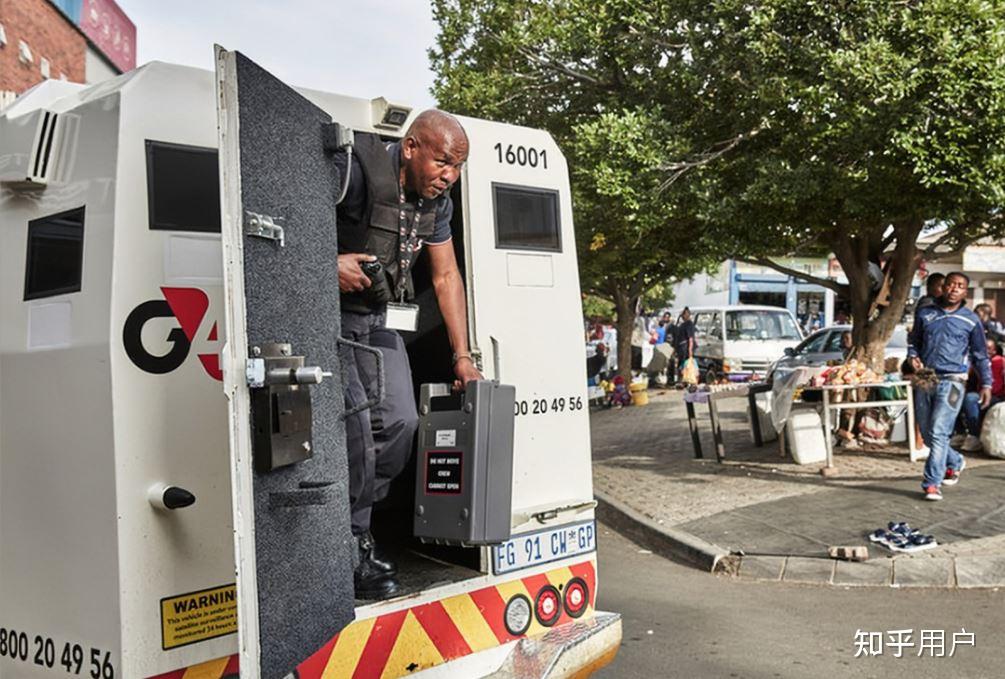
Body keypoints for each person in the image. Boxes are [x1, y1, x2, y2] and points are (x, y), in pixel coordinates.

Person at [335, 110, 482, 599]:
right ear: (412, 146)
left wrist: (463, 355)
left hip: (380, 320)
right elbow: (283, 222)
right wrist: (329, 263)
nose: (450, 176)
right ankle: (350, 543)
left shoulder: (437, 204)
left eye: (458, 167)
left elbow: (445, 276)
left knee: (400, 424)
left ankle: (355, 526)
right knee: (356, 432)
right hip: (331, 318)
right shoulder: (355, 169)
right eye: (444, 162)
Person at [908, 272, 992, 502]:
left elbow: (980, 355)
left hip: (954, 381)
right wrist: (912, 355)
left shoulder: (971, 320)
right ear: (942, 288)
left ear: (966, 292)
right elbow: (914, 341)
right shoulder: (926, 313)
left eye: (960, 286)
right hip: (926, 378)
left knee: (939, 431)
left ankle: (932, 483)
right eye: (951, 284)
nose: (954, 289)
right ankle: (955, 461)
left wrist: (986, 383)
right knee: (927, 434)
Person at [958, 339, 1005, 451]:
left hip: (998, 397)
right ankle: (961, 433)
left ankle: (974, 436)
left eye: (989, 349)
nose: (986, 351)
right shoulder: (977, 364)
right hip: (982, 395)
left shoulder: (1000, 362)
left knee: (970, 399)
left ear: (995, 351)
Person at [674, 308, 696, 373]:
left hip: (685, 348)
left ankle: (685, 379)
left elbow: (690, 338)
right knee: (681, 365)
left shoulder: (689, 324)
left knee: (684, 365)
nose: (683, 316)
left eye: (684, 314)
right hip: (681, 348)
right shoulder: (683, 324)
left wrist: (690, 350)